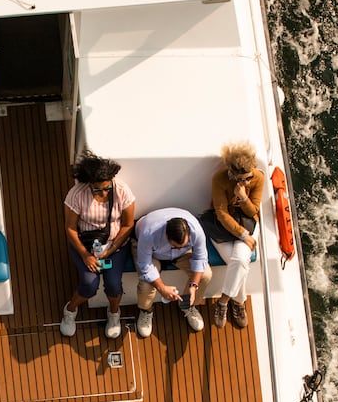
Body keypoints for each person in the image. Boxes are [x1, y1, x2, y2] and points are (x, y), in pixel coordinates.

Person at [59, 152, 137, 339]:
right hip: (85, 246)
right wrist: (86, 255)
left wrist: (111, 248)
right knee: (88, 285)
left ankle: (114, 314)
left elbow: (128, 225)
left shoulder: (122, 191)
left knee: (113, 285)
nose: (103, 193)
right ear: (89, 184)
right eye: (97, 189)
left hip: (115, 245)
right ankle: (70, 310)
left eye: (106, 188)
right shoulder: (76, 195)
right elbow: (70, 228)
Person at [198, 141, 265, 329]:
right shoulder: (219, 178)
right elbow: (221, 212)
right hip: (223, 227)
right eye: (241, 179)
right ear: (232, 174)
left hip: (248, 222)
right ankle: (239, 301)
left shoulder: (258, 178)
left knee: (239, 260)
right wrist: (243, 235)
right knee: (240, 262)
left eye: (248, 178)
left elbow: (253, 211)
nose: (246, 182)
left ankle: (223, 301)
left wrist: (243, 197)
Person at [132, 208, 211, 338]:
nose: (179, 248)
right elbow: (145, 266)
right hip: (152, 254)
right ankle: (146, 311)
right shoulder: (149, 233)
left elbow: (200, 258)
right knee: (146, 284)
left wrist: (193, 286)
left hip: (181, 256)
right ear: (167, 236)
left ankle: (188, 305)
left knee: (205, 274)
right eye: (175, 246)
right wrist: (162, 289)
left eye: (183, 245)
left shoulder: (196, 231)